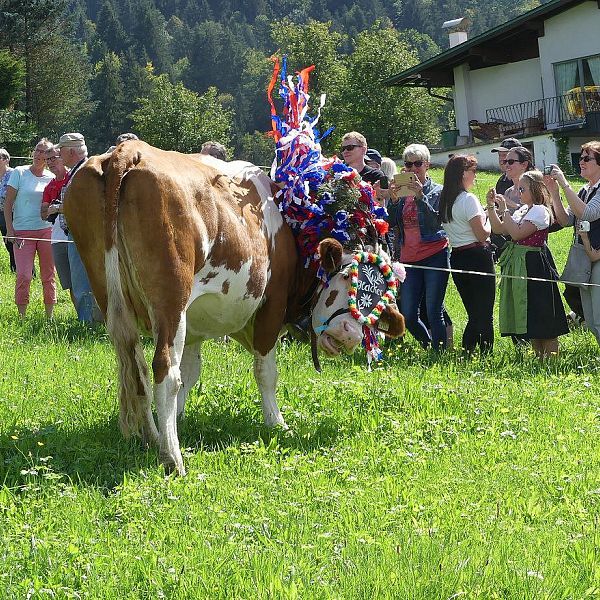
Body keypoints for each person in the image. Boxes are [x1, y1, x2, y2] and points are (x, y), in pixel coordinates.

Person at [487, 170, 568, 357]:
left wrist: (505, 210)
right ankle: (539, 357)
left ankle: (550, 360)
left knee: (542, 311)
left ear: (535, 189)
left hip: (534, 265)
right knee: (530, 311)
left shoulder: (540, 210)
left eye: (522, 189)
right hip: (521, 264)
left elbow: (516, 234)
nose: (519, 193)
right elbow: (500, 228)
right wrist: (492, 207)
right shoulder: (524, 209)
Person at [386, 144, 449, 349]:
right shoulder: (402, 192)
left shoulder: (438, 191)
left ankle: (439, 354)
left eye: (417, 164)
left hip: (434, 254)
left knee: (433, 310)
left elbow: (436, 222)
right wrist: (394, 201)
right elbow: (392, 223)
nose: (413, 169)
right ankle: (428, 345)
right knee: (409, 314)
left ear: (427, 165)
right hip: (409, 258)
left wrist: (421, 197)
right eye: (408, 164)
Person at [440, 155, 495, 353]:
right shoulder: (468, 199)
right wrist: (488, 220)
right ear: (464, 173)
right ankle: (485, 352)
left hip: (457, 256)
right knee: (485, 312)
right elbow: (482, 234)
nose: (475, 176)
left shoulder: (446, 200)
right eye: (473, 171)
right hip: (477, 255)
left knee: (473, 310)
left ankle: (468, 349)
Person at [548, 141, 600, 344]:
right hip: (587, 257)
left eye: (587, 158)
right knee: (592, 318)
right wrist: (553, 192)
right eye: (580, 157)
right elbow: (565, 220)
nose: (581, 162)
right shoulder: (585, 190)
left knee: (599, 317)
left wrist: (563, 183)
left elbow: (588, 213)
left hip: (597, 257)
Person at [4, 138, 56, 317]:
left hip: (46, 230)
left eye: (43, 152)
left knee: (48, 275)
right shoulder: (19, 172)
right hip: (22, 231)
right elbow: (8, 203)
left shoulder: (51, 177)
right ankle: (21, 317)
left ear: (49, 157)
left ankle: (49, 317)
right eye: (37, 150)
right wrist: (10, 230)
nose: (38, 154)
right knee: (24, 275)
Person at [56, 132, 95, 322]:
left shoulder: (84, 172)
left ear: (71, 151)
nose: (59, 156)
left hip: (81, 235)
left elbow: (85, 206)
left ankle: (87, 324)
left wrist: (56, 208)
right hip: (80, 234)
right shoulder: (81, 170)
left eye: (61, 151)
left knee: (81, 282)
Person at [40, 146, 74, 307]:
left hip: (79, 236)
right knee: (69, 282)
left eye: (53, 158)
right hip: (58, 237)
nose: (50, 163)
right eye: (47, 160)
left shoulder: (75, 177)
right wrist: (53, 208)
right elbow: (43, 214)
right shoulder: (49, 186)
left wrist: (58, 207)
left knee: (85, 278)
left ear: (63, 157)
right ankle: (82, 318)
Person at [0, 147, 15, 271]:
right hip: (0, 213)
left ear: (6, 159)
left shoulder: (13, 174)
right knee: (6, 242)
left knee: (13, 242)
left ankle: (20, 269)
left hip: (12, 213)